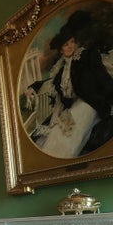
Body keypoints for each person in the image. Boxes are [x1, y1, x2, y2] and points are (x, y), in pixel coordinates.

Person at [26, 10, 113, 158]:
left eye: (72, 42)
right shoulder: (60, 68)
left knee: (73, 131)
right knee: (56, 131)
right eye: (66, 44)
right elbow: (50, 82)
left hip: (92, 103)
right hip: (75, 106)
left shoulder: (86, 56)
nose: (71, 46)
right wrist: (32, 87)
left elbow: (102, 76)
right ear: (61, 50)